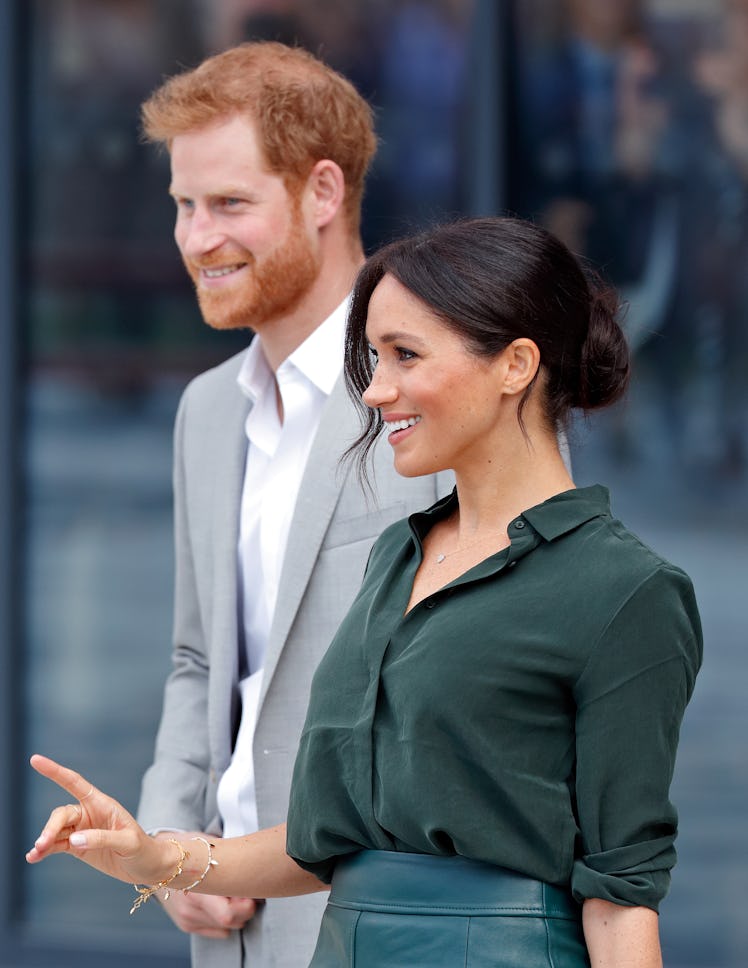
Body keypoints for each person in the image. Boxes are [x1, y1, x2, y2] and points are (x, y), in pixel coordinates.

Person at [27, 216, 702, 968]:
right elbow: (327, 843)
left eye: (405, 356)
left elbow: (621, 895)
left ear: (515, 364)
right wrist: (155, 858)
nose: (376, 390)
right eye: (374, 357)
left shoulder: (625, 591)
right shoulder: (396, 557)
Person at [130, 42, 450, 968]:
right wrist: (169, 845)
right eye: (185, 206)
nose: (197, 237)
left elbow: (461, 696)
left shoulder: (430, 396)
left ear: (322, 193)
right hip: (225, 932)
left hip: (374, 923)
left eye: (230, 204)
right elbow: (199, 662)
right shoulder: (204, 413)